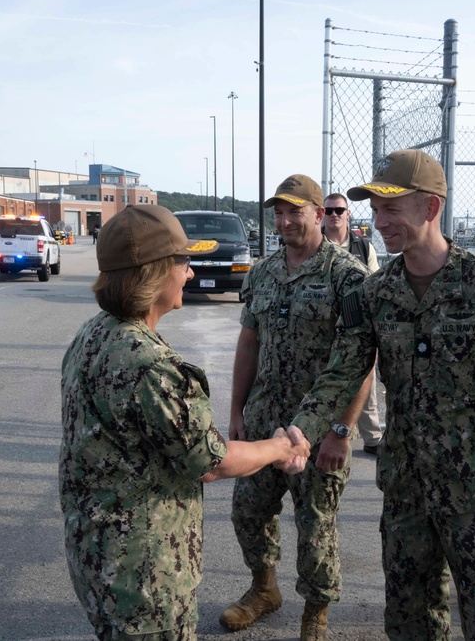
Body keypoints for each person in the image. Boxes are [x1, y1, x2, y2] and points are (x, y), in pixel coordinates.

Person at [292, 149, 475, 640]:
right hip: (406, 489)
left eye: (390, 209)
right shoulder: (375, 294)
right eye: (374, 209)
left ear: (431, 207)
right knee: (409, 619)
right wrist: (300, 433)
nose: (378, 221)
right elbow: (342, 372)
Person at [59, 204, 310, 639]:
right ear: (152, 273)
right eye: (183, 262)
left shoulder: (94, 332)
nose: (190, 274)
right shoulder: (148, 364)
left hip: (98, 555)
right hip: (143, 574)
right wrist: (282, 447)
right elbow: (211, 462)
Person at [221, 174, 372, 641]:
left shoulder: (346, 276)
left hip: (319, 427)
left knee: (316, 526)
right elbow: (249, 342)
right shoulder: (264, 272)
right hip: (266, 423)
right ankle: (264, 589)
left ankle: (316, 613)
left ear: (319, 214)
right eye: (278, 213)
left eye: (295, 211)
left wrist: (341, 431)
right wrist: (237, 411)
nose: (285, 221)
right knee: (248, 512)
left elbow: (362, 362)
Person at [321, 192, 385, 454]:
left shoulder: (364, 247)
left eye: (339, 210)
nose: (334, 215)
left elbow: (374, 282)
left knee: (365, 380)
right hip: (324, 326)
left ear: (348, 214)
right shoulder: (316, 245)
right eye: (329, 211)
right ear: (321, 215)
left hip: (357, 325)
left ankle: (372, 437)